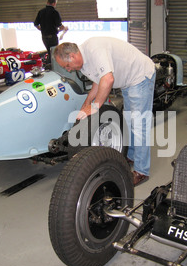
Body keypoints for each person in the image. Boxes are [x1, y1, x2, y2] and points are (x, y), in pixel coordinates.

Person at [54, 37, 156, 186]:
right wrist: (87, 104)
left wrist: (95, 107)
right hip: (128, 81)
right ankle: (133, 156)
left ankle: (141, 171)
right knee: (129, 122)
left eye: (67, 65)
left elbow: (108, 79)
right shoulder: (83, 64)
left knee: (139, 125)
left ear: (73, 56)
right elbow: (99, 81)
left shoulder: (95, 49)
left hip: (140, 76)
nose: (68, 69)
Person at [34, 0, 68, 64]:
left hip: (44, 37)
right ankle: (52, 68)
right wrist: (64, 28)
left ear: (47, 2)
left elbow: (36, 24)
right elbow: (60, 26)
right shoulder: (55, 12)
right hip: (52, 37)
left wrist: (41, 29)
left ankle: (49, 65)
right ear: (54, 3)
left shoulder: (41, 12)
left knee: (50, 53)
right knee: (54, 55)